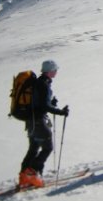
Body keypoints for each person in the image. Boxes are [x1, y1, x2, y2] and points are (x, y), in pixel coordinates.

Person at [19, 59, 69, 188]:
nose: (56, 72)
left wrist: (51, 104)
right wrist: (60, 112)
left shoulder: (38, 83)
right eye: (55, 70)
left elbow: (41, 104)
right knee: (47, 148)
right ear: (50, 71)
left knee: (33, 148)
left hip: (31, 121)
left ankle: (24, 177)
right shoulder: (44, 84)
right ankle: (33, 175)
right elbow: (44, 106)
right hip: (38, 121)